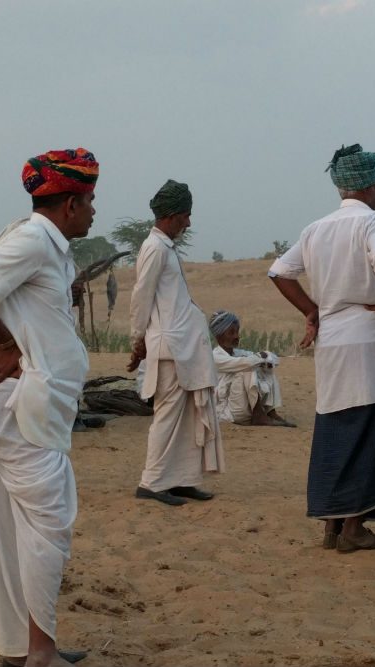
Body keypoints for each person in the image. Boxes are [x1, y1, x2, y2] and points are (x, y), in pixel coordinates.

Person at [0, 148, 97, 667]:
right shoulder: (34, 238)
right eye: (92, 201)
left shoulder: (48, 247)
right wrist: (5, 339)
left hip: (33, 405)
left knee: (24, 528)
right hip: (23, 405)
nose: (95, 212)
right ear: (72, 203)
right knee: (49, 527)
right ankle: (39, 652)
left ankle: (26, 646)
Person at [268, 144, 375, 553]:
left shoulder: (316, 229)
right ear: (372, 186)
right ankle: (354, 529)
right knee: (370, 431)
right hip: (369, 341)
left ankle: (332, 526)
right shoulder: (374, 221)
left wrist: (313, 310)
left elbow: (279, 272)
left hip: (333, 343)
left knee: (336, 429)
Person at [127, 179, 225, 507]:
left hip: (183, 348)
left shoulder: (165, 247)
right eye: (185, 215)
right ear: (171, 216)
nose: (188, 222)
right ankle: (152, 482)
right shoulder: (154, 248)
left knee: (186, 418)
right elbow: (142, 297)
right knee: (168, 416)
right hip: (168, 349)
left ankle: (181, 480)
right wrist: (136, 340)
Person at [208, 310, 294, 427]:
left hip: (246, 409)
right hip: (230, 412)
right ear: (219, 337)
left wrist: (264, 360)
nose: (237, 336)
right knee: (247, 368)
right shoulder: (215, 357)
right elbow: (246, 363)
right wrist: (261, 358)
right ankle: (259, 415)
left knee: (267, 368)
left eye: (237, 332)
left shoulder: (239, 353)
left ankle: (270, 412)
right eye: (231, 333)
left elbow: (274, 359)